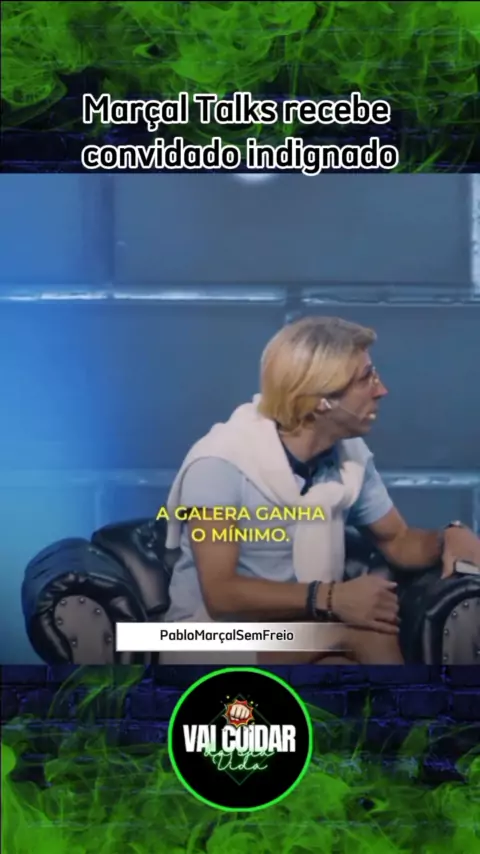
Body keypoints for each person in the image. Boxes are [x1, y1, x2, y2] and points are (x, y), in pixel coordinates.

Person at [162, 316, 480, 665]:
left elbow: (398, 540)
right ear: (322, 400)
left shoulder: (349, 458)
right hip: (201, 634)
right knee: (365, 633)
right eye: (366, 378)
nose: (381, 390)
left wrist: (449, 537)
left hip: (292, 631)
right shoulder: (220, 463)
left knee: (341, 673)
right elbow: (221, 594)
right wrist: (331, 598)